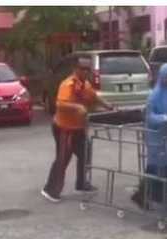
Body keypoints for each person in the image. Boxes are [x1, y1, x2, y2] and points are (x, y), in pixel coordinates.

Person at [42, 56, 114, 202]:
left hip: (79, 128)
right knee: (63, 158)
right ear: (76, 69)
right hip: (64, 128)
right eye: (84, 69)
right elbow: (60, 104)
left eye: (89, 69)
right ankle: (50, 190)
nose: (87, 72)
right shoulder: (67, 84)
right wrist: (78, 107)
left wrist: (108, 105)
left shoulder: (85, 84)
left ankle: (81, 183)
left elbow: (94, 97)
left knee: (85, 154)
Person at [134, 62, 167, 214]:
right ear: (162, 77)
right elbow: (149, 117)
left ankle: (148, 194)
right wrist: (166, 117)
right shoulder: (155, 95)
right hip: (154, 135)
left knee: (157, 165)